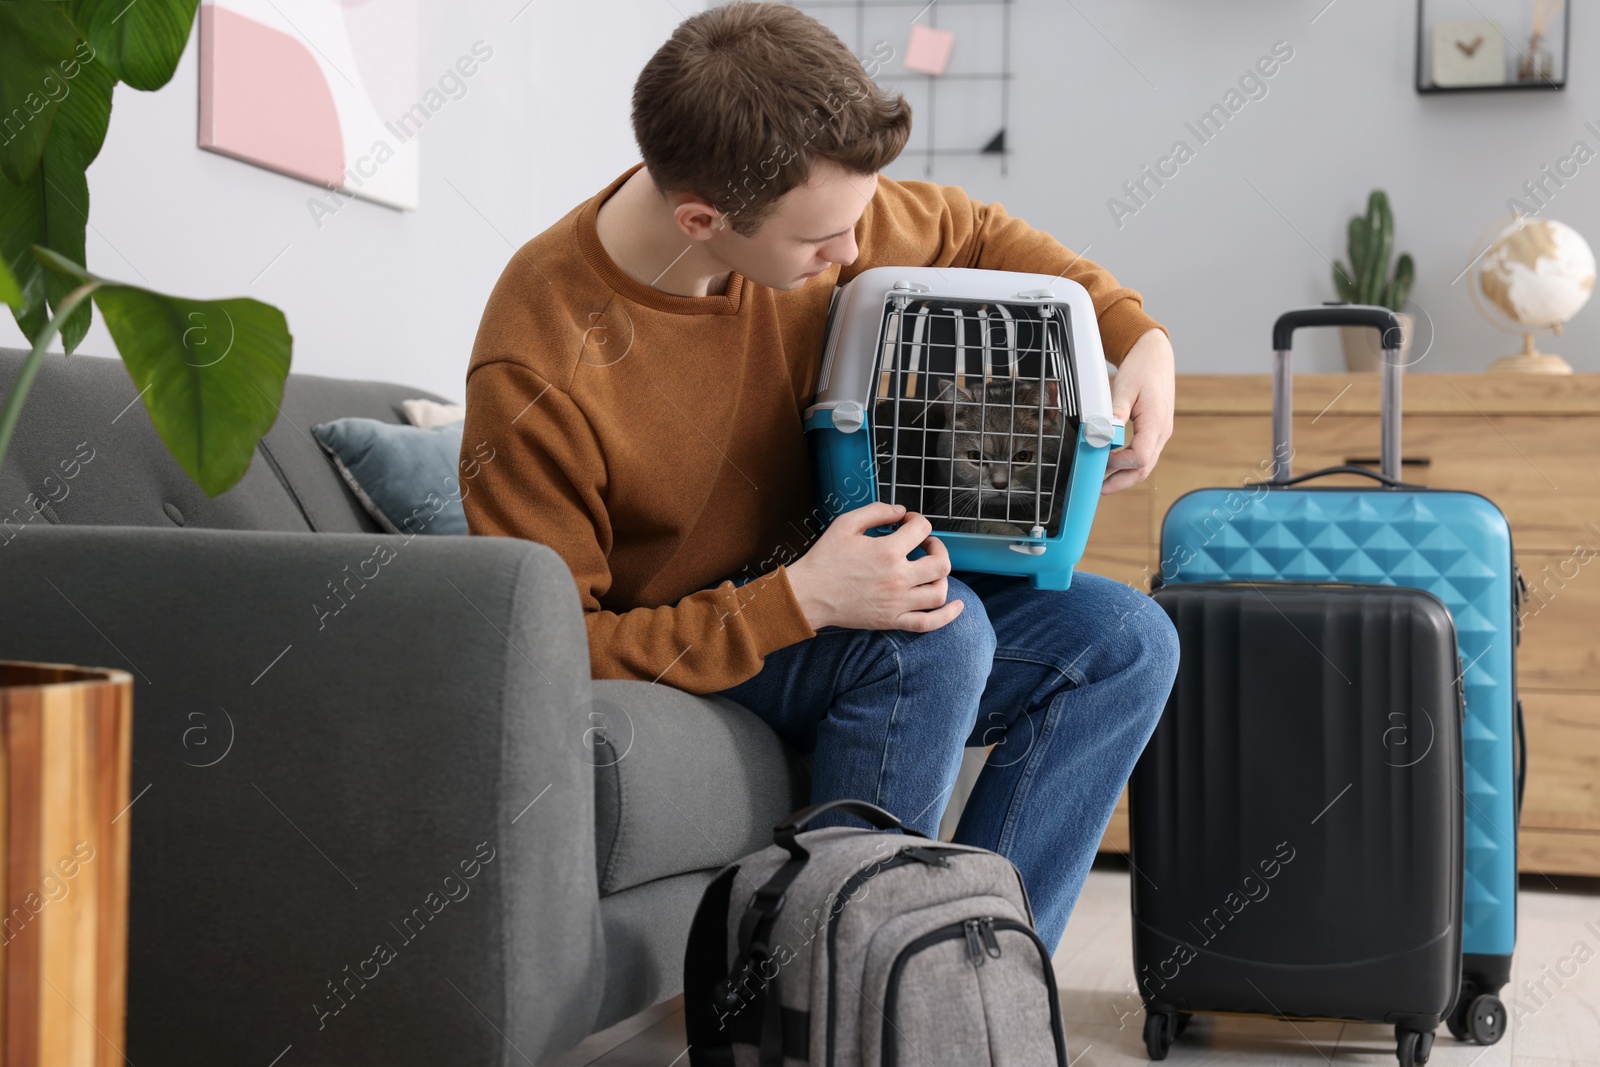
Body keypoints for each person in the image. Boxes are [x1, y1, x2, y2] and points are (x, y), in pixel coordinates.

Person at [460, 1, 1179, 952]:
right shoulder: (537, 361)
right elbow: (556, 649)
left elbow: (975, 233)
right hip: (717, 638)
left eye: (855, 222)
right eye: (820, 244)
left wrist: (1139, 338)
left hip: (836, 592)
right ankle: (833, 996)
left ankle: (980, 978)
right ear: (701, 220)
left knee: (1129, 638)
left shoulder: (812, 208)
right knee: (933, 639)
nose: (851, 254)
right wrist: (794, 599)